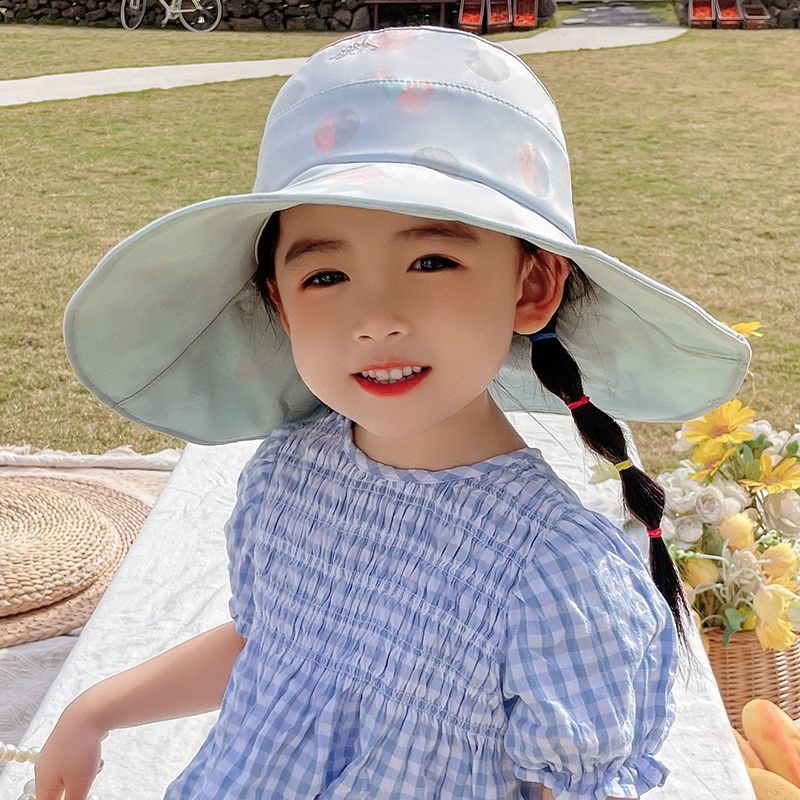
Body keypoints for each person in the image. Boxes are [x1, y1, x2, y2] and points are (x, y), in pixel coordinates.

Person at [37, 25, 750, 800]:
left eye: (431, 260)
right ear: (280, 302)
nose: (375, 318)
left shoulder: (557, 573)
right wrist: (94, 711)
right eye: (326, 276)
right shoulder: (289, 474)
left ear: (532, 286)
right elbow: (274, 649)